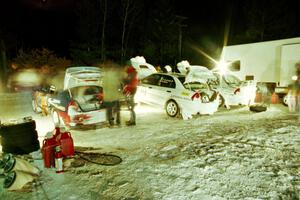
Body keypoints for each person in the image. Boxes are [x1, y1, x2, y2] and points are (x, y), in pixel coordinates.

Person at [102, 62, 123, 127]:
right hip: (115, 95)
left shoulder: (104, 75)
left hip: (108, 96)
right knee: (116, 109)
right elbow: (119, 85)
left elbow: (102, 85)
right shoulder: (115, 75)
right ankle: (117, 121)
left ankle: (111, 122)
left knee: (109, 110)